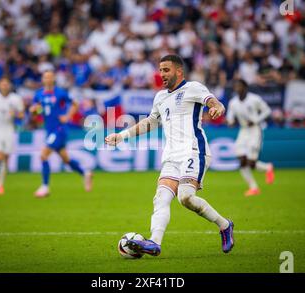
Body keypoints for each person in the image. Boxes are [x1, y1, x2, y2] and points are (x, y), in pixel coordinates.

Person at [105, 54, 234, 256]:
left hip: (194, 151)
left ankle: (225, 225)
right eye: (161, 70)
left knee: (185, 198)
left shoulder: (193, 88)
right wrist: (122, 135)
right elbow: (150, 122)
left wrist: (218, 107)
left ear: (178, 71)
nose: (162, 74)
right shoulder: (160, 97)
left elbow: (214, 102)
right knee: (161, 198)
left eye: (166, 70)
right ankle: (155, 242)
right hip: (171, 156)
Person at [30, 70, 93, 197]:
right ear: (42, 79)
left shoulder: (60, 93)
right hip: (49, 129)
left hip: (59, 129)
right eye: (45, 77)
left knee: (43, 155)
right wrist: (34, 111)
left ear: (53, 79)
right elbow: (36, 111)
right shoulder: (38, 94)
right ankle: (85, 173)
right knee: (66, 159)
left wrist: (68, 116)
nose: (47, 79)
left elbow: (75, 103)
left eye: (50, 77)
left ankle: (45, 187)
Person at [226, 79, 275, 196]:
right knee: (242, 161)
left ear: (245, 87)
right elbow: (230, 118)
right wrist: (231, 122)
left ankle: (267, 167)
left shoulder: (254, 99)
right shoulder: (233, 103)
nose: (237, 88)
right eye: (236, 86)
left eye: (240, 86)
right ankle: (253, 188)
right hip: (243, 131)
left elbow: (267, 110)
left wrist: (256, 120)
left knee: (251, 163)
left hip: (255, 131)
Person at [0, 77, 25, 195]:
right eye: (2, 84)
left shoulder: (16, 99)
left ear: (10, 86)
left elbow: (22, 115)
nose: (5, 86)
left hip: (9, 129)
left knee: (6, 158)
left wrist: (16, 114)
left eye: (7, 84)